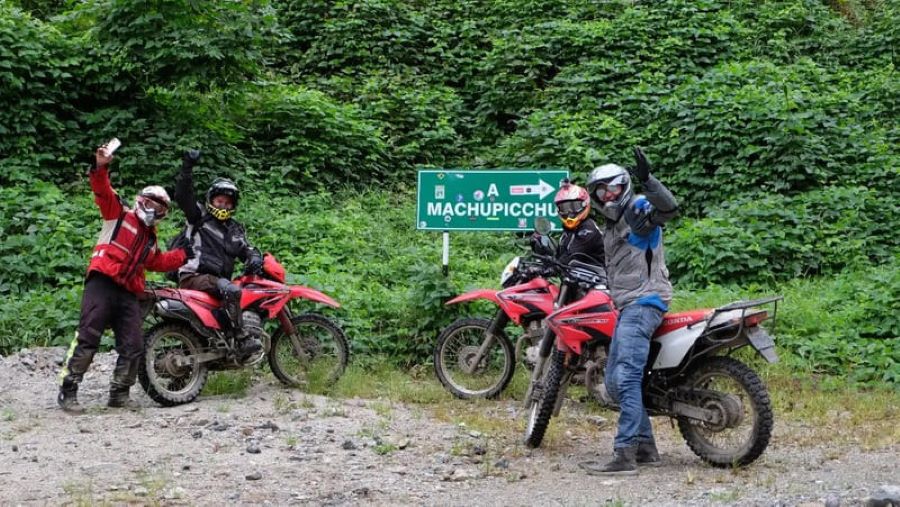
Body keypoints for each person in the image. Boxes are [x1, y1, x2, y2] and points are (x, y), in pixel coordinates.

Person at [57, 143, 193, 413]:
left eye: (161, 206)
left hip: (129, 292)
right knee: (88, 337)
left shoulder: (150, 239)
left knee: (133, 344)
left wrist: (183, 255)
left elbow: (156, 262)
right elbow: (101, 189)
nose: (155, 208)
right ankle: (68, 391)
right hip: (102, 283)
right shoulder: (117, 214)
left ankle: (119, 394)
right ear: (141, 200)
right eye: (152, 202)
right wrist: (101, 166)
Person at [579, 147, 679, 475]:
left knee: (626, 375)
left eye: (614, 187)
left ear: (625, 186)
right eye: (601, 190)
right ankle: (647, 448)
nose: (608, 195)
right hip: (628, 305)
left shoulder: (636, 211)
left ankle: (624, 454)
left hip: (644, 301)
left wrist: (649, 181)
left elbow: (667, 208)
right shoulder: (609, 226)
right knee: (613, 379)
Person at [173, 150, 263, 356]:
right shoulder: (198, 217)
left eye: (227, 202)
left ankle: (224, 346)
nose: (223, 205)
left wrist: (254, 257)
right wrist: (187, 167)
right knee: (231, 290)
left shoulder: (234, 230)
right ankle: (242, 339)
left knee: (235, 290)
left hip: (216, 283)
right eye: (219, 201)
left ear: (233, 205)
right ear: (211, 200)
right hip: (193, 277)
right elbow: (182, 195)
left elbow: (245, 249)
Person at [553, 181, 606, 269]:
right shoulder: (568, 232)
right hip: (579, 277)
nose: (570, 212)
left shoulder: (588, 229)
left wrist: (553, 266)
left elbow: (570, 257)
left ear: (585, 205)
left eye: (575, 206)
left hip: (598, 278)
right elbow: (559, 255)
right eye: (564, 208)